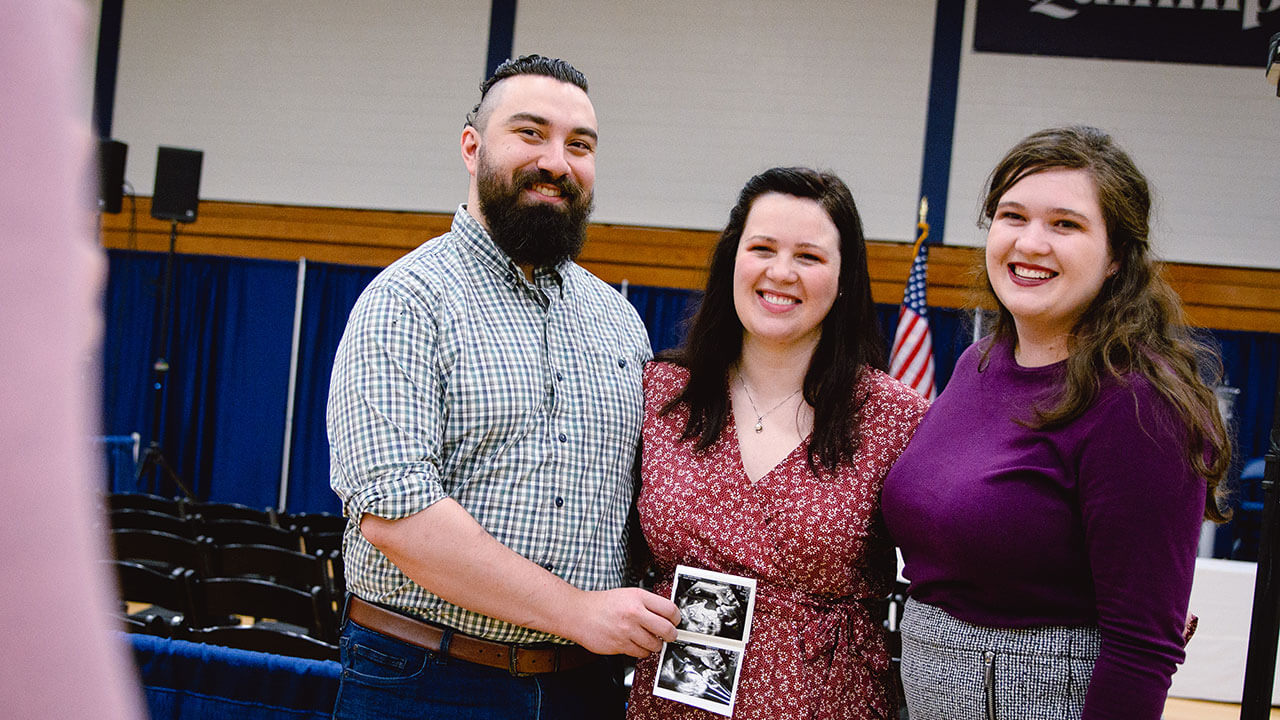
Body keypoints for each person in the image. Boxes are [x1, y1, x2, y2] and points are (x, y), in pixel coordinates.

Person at [327, 54, 679, 720]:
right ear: (472, 147)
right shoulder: (406, 303)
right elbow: (399, 519)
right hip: (427, 679)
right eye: (530, 133)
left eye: (580, 145)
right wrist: (577, 611)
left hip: (582, 687)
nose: (556, 160)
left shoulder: (621, 322)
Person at [881, 125, 1230, 719]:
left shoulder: (1140, 404)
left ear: (1118, 255)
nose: (1030, 242)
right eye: (1012, 216)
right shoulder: (978, 362)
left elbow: (1142, 648)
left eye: (1065, 224)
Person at [625, 167, 930, 719]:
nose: (781, 272)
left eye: (809, 257)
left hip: (829, 701)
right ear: (732, 260)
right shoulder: (662, 393)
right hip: (674, 703)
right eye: (762, 248)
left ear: (843, 279)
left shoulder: (896, 417)